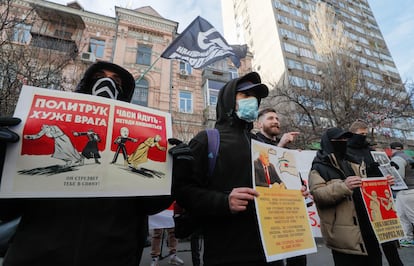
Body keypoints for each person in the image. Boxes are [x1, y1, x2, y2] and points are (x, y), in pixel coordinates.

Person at [0, 61, 172, 266]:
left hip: (113, 257)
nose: (107, 84)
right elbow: (6, 209)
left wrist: (172, 170)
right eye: (99, 77)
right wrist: (2, 159)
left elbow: (151, 205)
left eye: (117, 81)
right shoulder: (34, 124)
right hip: (36, 256)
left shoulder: (137, 132)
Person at [173, 71, 280, 266]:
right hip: (227, 252)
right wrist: (223, 201)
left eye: (256, 98)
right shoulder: (207, 139)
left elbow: (273, 184)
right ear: (229, 99)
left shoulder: (261, 145)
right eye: (246, 96)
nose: (253, 102)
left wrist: (293, 195)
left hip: (271, 250)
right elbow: (183, 190)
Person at [309, 127, 395, 266]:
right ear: (329, 142)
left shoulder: (355, 162)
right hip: (344, 237)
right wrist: (344, 187)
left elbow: (367, 187)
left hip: (368, 230)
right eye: (339, 139)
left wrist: (384, 184)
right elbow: (318, 195)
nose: (343, 142)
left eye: (345, 139)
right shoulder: (318, 167)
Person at [347, 120, 404, 265]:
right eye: (361, 134)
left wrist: (388, 169)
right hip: (362, 201)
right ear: (353, 134)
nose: (364, 137)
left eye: (366, 134)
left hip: (379, 197)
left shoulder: (370, 150)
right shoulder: (346, 151)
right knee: (371, 244)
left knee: (389, 242)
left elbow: (379, 173)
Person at [255, 107, 307, 266]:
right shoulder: (253, 143)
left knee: (298, 258)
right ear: (258, 124)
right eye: (270, 118)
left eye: (277, 119)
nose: (276, 121)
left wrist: (301, 188)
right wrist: (282, 145)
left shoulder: (285, 149)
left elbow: (290, 179)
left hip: (291, 213)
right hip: (269, 215)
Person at [390, 141, 414, 247]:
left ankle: (407, 237)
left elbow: (399, 176)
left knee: (410, 216)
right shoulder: (408, 157)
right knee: (401, 215)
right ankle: (406, 238)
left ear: (392, 149)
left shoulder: (397, 158)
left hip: (406, 190)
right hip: (408, 190)